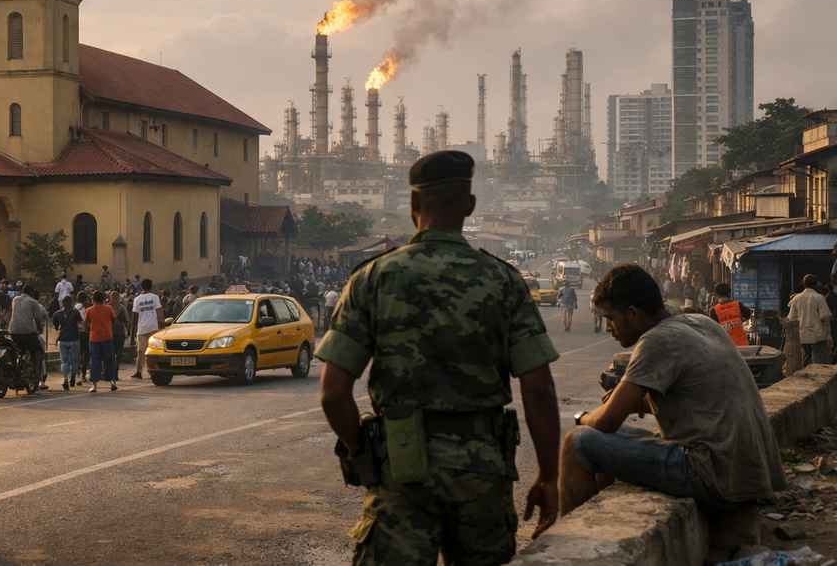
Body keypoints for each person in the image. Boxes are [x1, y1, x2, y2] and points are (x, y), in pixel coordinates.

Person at [316, 150, 562, 564]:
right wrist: (549, 476)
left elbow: (333, 393)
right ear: (469, 205)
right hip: (482, 469)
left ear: (413, 206)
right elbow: (538, 389)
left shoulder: (374, 278)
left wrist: (363, 451)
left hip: (401, 465)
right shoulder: (502, 280)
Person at [561, 264, 785, 517]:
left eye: (611, 319)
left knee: (578, 441)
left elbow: (606, 422)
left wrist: (582, 418)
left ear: (632, 313)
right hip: (750, 472)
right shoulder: (701, 322)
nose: (609, 328)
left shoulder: (656, 341)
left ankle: (570, 545)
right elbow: (695, 400)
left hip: (711, 473)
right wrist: (636, 402)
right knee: (609, 441)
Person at [8, 284, 49, 387]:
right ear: (31, 293)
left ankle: (19, 369)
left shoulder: (15, 299)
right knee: (38, 350)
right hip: (27, 333)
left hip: (12, 332)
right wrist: (39, 329)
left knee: (18, 351)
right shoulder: (33, 302)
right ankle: (36, 375)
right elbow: (38, 319)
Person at [787, 274, 832, 366]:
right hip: (818, 337)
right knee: (819, 364)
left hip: (802, 336)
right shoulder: (819, 298)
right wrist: (828, 336)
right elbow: (825, 318)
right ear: (816, 284)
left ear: (803, 284)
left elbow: (791, 319)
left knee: (806, 360)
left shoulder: (796, 298)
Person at [85, 290, 118, 393]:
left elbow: (86, 324)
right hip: (107, 337)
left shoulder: (89, 310)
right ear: (103, 299)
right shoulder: (109, 308)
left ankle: (94, 386)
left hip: (94, 339)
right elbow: (113, 320)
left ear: (93, 299)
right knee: (110, 360)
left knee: (95, 361)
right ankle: (112, 382)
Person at [131, 279, 163, 379]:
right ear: (151, 286)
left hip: (141, 329)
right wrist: (163, 326)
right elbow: (159, 312)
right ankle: (153, 371)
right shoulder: (155, 297)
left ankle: (139, 372)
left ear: (141, 287)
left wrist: (132, 333)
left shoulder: (137, 299)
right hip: (153, 328)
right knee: (153, 351)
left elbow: (134, 316)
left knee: (140, 351)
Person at [53, 296, 82, 391]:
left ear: (63, 303)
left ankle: (65, 379)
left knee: (64, 361)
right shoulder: (75, 312)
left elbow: (56, 327)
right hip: (74, 339)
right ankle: (73, 376)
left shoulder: (57, 314)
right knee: (74, 360)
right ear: (71, 303)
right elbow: (80, 324)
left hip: (62, 339)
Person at [110, 290, 129, 379]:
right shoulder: (108, 307)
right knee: (111, 354)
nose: (114, 299)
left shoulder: (122, 308)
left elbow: (127, 321)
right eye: (113, 297)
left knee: (118, 354)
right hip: (110, 334)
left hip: (119, 334)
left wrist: (127, 331)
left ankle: (115, 373)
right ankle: (111, 373)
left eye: (116, 297)